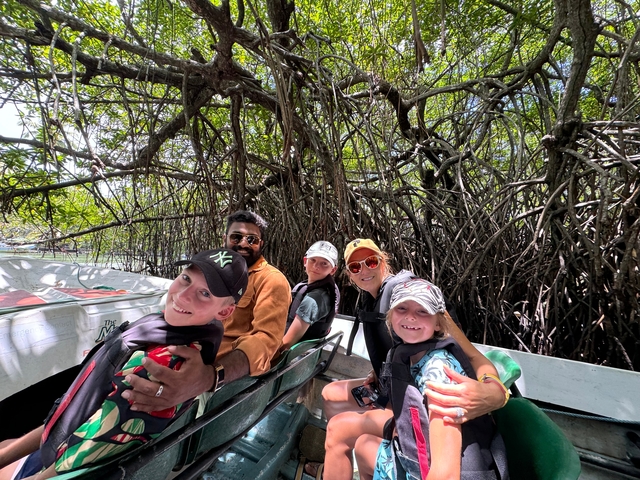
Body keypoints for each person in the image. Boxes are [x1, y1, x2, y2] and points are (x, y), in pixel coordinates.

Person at [0, 248, 249, 480]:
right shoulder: (191, 333)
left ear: (225, 312)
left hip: (53, 466)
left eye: (205, 293)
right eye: (186, 279)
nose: (183, 296)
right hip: (57, 441)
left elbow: (83, 454)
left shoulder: (158, 366)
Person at [318, 239, 507, 479]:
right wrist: (378, 373)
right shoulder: (374, 298)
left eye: (371, 261)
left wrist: (495, 392)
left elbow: (472, 355)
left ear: (383, 261)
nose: (364, 270)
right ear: (348, 274)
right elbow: (396, 350)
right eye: (355, 267)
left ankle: (341, 455)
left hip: (418, 405)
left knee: (340, 429)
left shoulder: (413, 293)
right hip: (398, 389)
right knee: (330, 395)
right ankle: (340, 459)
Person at [121, 210, 291, 413]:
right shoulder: (211, 270)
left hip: (220, 380)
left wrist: (210, 376)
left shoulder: (272, 280)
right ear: (225, 239)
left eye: (252, 239)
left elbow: (265, 341)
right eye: (236, 236)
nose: (243, 244)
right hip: (183, 359)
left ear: (261, 244)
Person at [354, 278, 508, 480]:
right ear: (390, 317)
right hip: (415, 456)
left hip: (433, 470)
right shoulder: (409, 351)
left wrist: (496, 390)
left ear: (439, 323)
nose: (410, 317)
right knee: (362, 446)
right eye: (402, 309)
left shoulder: (437, 371)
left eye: (422, 311)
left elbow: (446, 473)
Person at [280, 240, 340, 352]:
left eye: (324, 263)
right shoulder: (307, 286)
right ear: (305, 261)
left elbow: (286, 344)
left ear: (333, 270)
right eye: (313, 260)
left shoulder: (315, 299)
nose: (316, 266)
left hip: (292, 358)